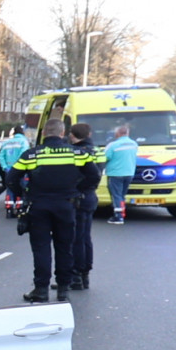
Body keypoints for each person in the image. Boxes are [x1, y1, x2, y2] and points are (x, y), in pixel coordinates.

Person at [10, 124, 97, 302]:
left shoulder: (32, 154)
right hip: (66, 205)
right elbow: (94, 176)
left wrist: (25, 193)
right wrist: (77, 189)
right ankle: (63, 289)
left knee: (41, 248)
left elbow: (11, 178)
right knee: (65, 247)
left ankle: (41, 289)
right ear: (63, 133)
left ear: (43, 133)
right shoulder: (77, 154)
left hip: (39, 205)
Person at [66, 122, 102, 290]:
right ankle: (85, 274)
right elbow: (98, 173)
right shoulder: (97, 151)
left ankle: (76, 276)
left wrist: (77, 188)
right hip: (90, 196)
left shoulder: (76, 153)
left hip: (79, 196)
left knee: (76, 238)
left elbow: (84, 175)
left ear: (73, 135)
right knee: (85, 237)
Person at [102, 123, 138, 224]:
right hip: (129, 173)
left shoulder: (113, 145)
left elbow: (105, 157)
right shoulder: (134, 144)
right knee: (122, 194)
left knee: (116, 195)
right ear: (127, 133)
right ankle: (122, 212)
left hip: (115, 173)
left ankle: (118, 216)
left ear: (117, 133)